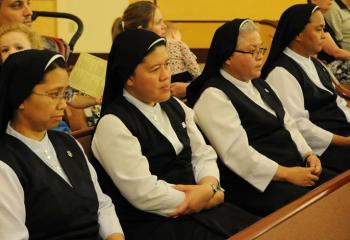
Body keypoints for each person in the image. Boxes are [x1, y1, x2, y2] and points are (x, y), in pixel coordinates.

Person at [91, 29, 259, 240]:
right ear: (129, 77)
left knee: (265, 229)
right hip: (157, 221)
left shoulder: (173, 105)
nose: (166, 75)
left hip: (200, 205)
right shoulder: (113, 124)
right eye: (154, 69)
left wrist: (209, 186)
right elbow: (144, 192)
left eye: (167, 64)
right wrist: (203, 197)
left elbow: (202, 154)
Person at [186, 19, 336, 216]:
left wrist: (308, 154)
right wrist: (287, 174)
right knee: (315, 210)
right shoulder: (213, 95)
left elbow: (288, 123)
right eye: (252, 51)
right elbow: (237, 155)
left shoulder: (259, 83)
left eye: (261, 50)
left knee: (338, 190)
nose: (259, 57)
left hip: (292, 167)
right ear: (228, 56)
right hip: (256, 182)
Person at [0, 49, 124, 240]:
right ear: (21, 97)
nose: (63, 105)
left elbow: (102, 205)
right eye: (54, 94)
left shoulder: (68, 143)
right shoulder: (6, 163)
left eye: (65, 93)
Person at [263, 3, 350, 173]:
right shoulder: (281, 73)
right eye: (319, 29)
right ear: (299, 34)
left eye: (324, 29)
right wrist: (345, 141)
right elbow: (298, 125)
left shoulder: (316, 64)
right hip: (322, 149)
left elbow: (338, 104)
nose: (324, 36)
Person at [308, 0, 350, 83]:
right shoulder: (311, 20)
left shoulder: (321, 18)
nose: (331, 0)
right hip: (329, 68)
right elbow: (336, 52)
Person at [165, 21, 201, 98]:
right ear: (174, 34)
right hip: (181, 76)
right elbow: (190, 62)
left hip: (168, 78)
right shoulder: (179, 43)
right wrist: (198, 77)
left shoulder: (161, 46)